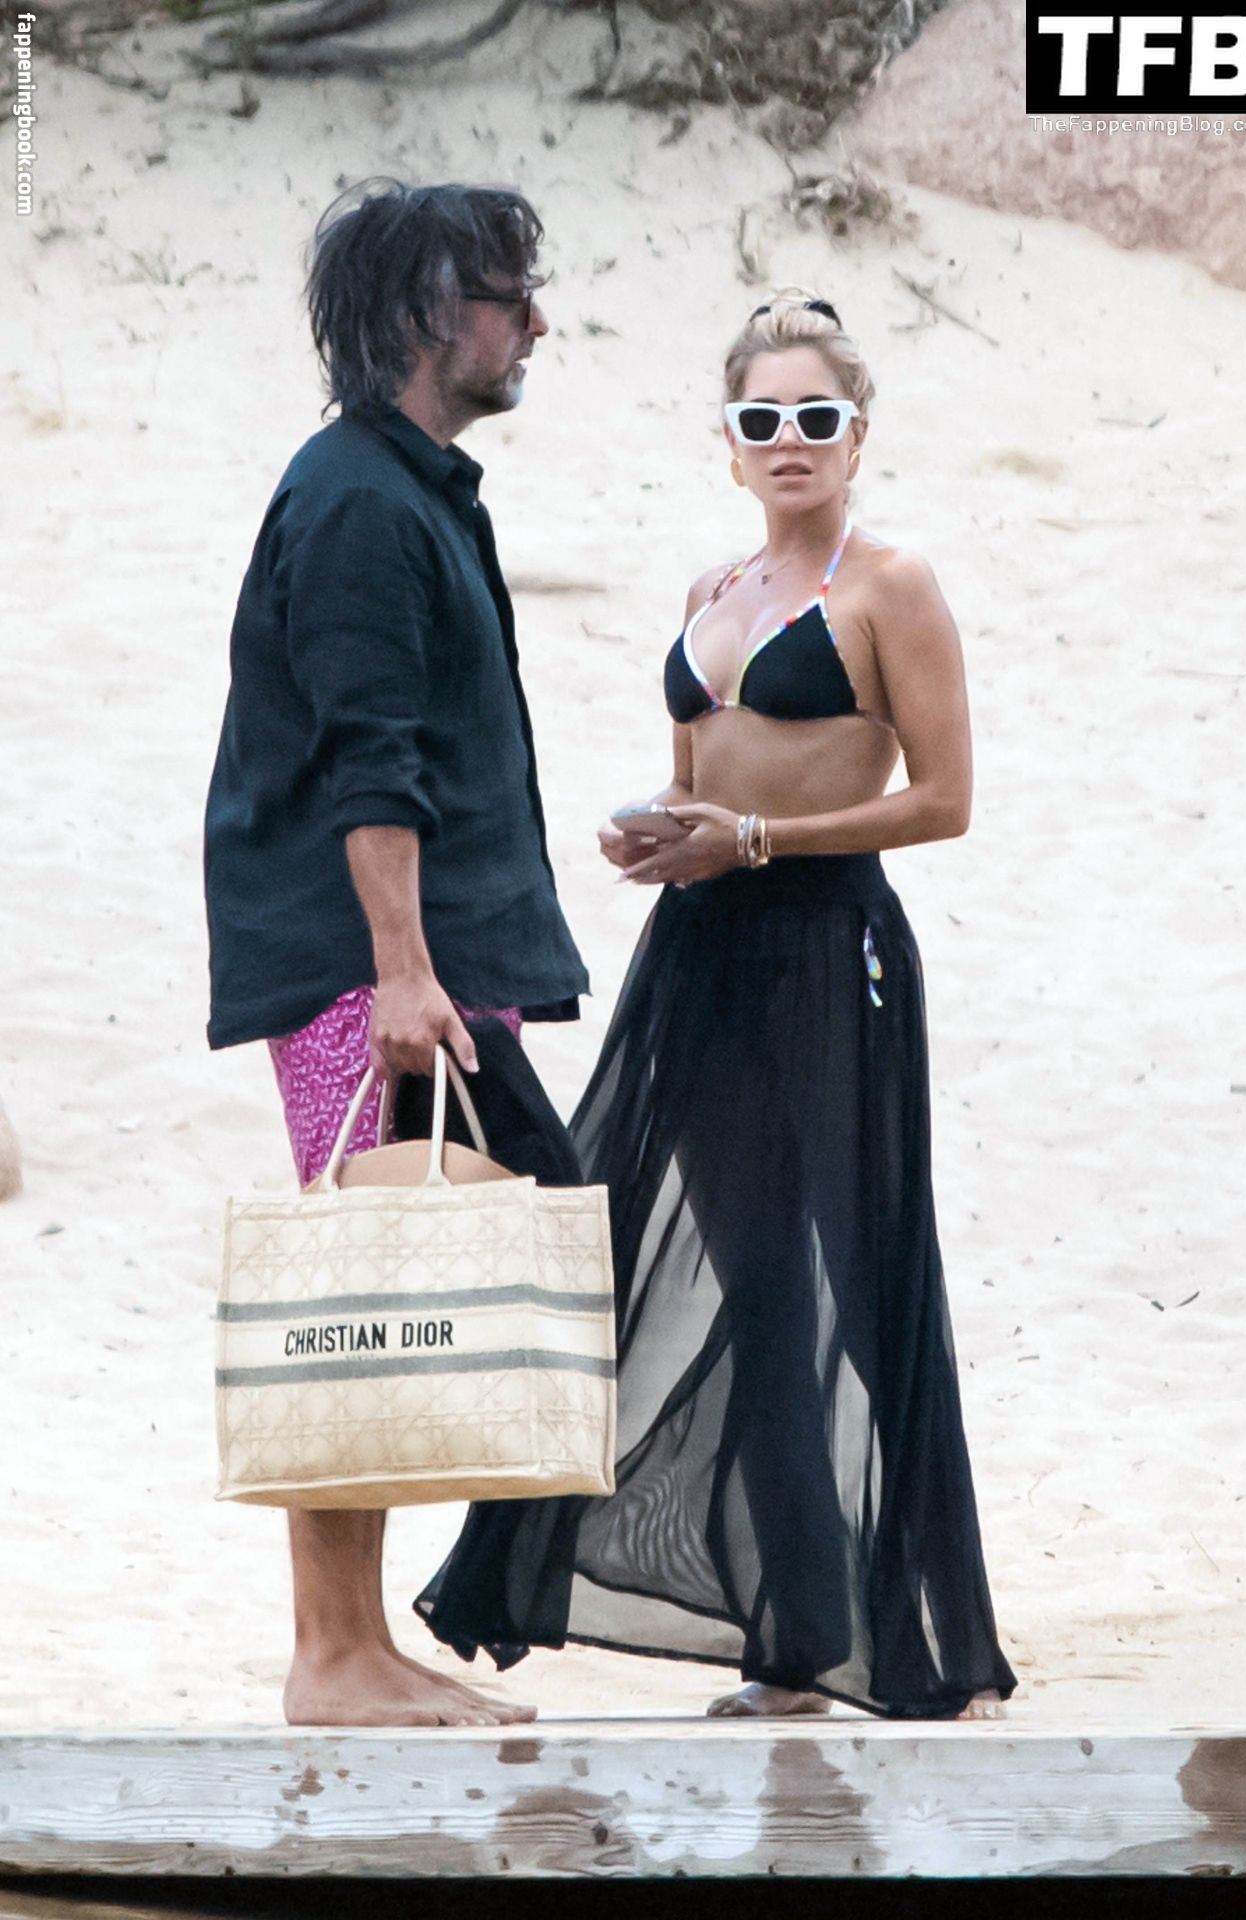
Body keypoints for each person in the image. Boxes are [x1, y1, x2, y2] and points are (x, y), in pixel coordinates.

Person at [416, 291, 1018, 1721]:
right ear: (732, 445)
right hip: (700, 951)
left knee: (862, 1275)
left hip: (828, 947)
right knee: (740, 1275)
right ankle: (798, 1640)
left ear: (856, 436)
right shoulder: (709, 593)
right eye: (762, 418)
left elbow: (941, 801)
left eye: (816, 416)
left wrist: (756, 841)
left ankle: (924, 1636)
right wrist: (660, 828)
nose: (788, 438)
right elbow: (698, 781)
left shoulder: (891, 587)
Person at [203, 179, 589, 1728]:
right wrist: (403, 974)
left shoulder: (400, 487)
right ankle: (334, 1655)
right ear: (432, 315)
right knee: (356, 1295)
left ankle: (368, 1641)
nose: (535, 323)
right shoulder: (359, 501)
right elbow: (369, 762)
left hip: (414, 962)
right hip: (369, 972)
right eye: (508, 297)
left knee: (419, 1277)